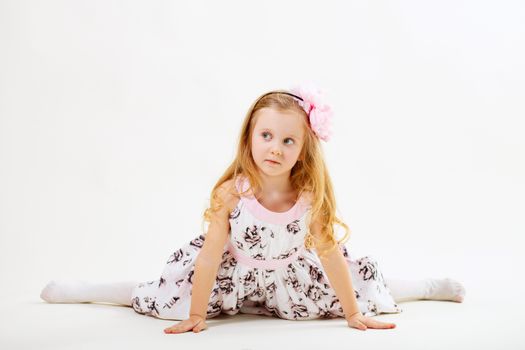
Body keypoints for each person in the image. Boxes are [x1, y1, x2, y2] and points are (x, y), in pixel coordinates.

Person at [40, 84, 466, 333]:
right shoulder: (232, 192)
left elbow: (330, 253)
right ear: (248, 138)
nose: (275, 148)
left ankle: (429, 287)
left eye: (287, 140)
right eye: (266, 136)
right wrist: (195, 314)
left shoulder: (307, 196)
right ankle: (84, 291)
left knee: (365, 287)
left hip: (291, 280)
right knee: (160, 296)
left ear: (303, 149)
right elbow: (209, 255)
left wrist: (352, 313)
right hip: (232, 276)